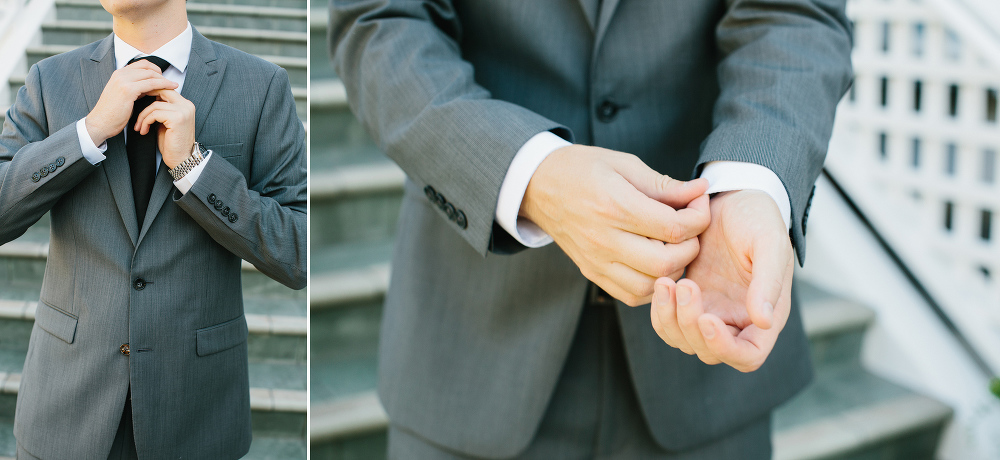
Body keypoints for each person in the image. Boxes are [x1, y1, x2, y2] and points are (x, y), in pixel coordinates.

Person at [331, 0, 852, 458]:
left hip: (707, 344)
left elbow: (794, 12)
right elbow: (381, 22)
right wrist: (531, 174)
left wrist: (749, 177)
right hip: (472, 352)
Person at [0, 0, 306, 456]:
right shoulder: (50, 80)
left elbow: (298, 249)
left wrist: (194, 168)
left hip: (195, 413)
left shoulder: (261, 86)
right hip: (65, 411)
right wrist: (88, 131)